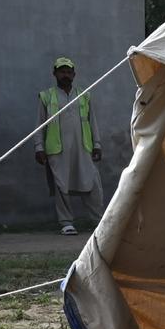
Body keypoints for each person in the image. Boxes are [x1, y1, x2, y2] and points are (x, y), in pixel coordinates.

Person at [37, 58, 106, 235]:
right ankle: (66, 222)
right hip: (57, 149)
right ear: (55, 74)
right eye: (62, 71)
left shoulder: (84, 95)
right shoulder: (46, 96)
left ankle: (99, 221)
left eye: (68, 72)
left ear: (74, 74)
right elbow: (40, 125)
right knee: (61, 184)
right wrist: (39, 148)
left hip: (83, 147)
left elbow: (93, 122)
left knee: (91, 181)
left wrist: (97, 144)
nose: (65, 75)